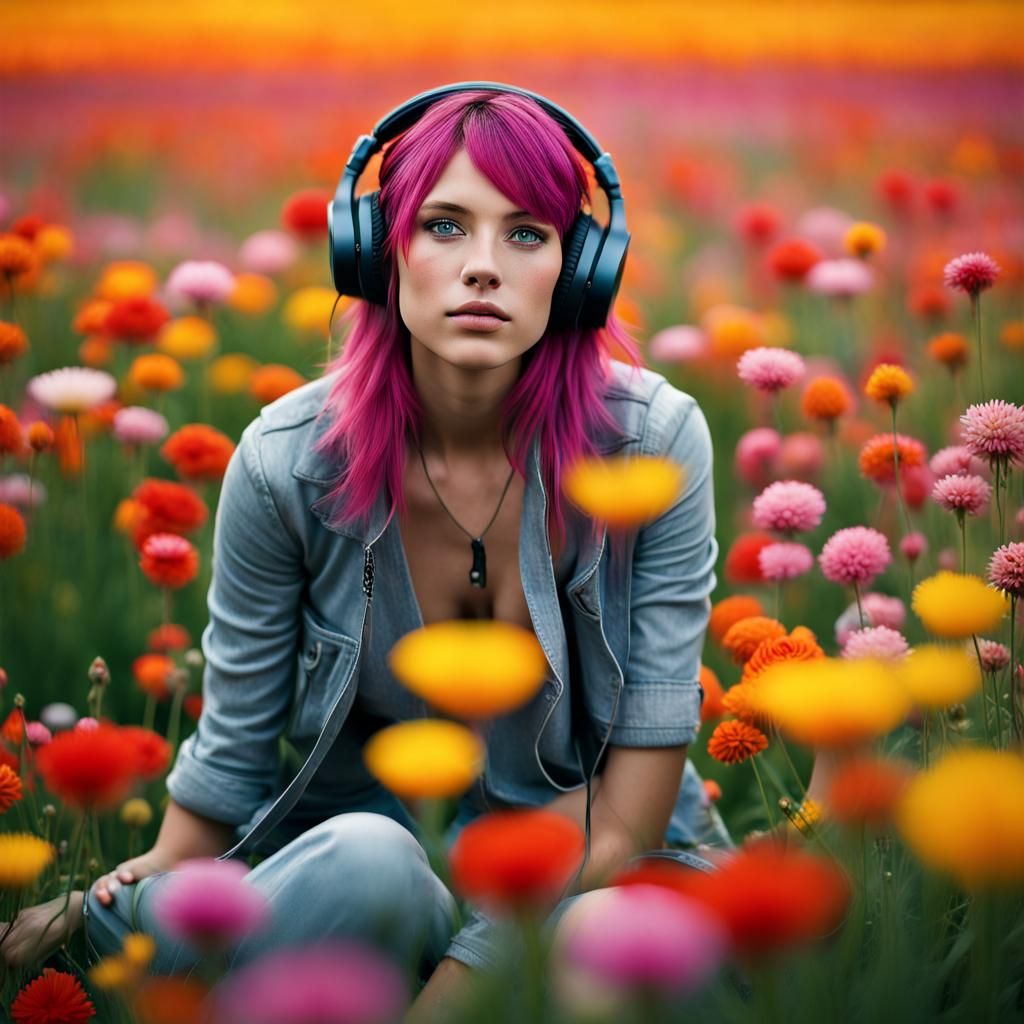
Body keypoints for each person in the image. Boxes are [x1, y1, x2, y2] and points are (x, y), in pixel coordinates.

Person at [1, 84, 731, 1018]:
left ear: (583, 268)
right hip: (377, 868)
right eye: (443, 226)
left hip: (595, 870)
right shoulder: (284, 463)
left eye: (526, 234)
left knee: (596, 942)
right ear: (373, 252)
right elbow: (231, 759)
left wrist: (458, 982)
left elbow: (627, 813)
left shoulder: (654, 445)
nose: (481, 268)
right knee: (367, 861)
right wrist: (139, 887)